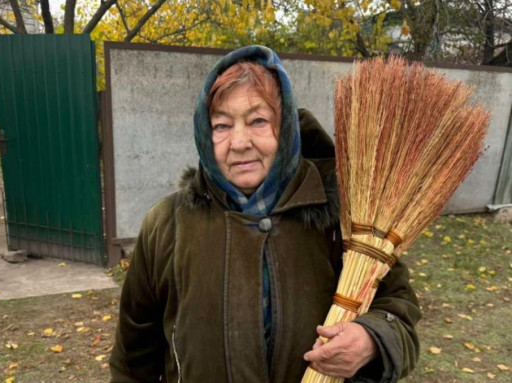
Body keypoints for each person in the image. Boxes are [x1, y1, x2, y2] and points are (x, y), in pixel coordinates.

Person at [109, 45, 421, 383]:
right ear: (205, 134)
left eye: (258, 120)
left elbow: (398, 313)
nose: (239, 142)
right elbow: (132, 357)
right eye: (222, 125)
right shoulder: (167, 226)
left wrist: (372, 340)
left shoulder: (349, 221)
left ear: (285, 129)